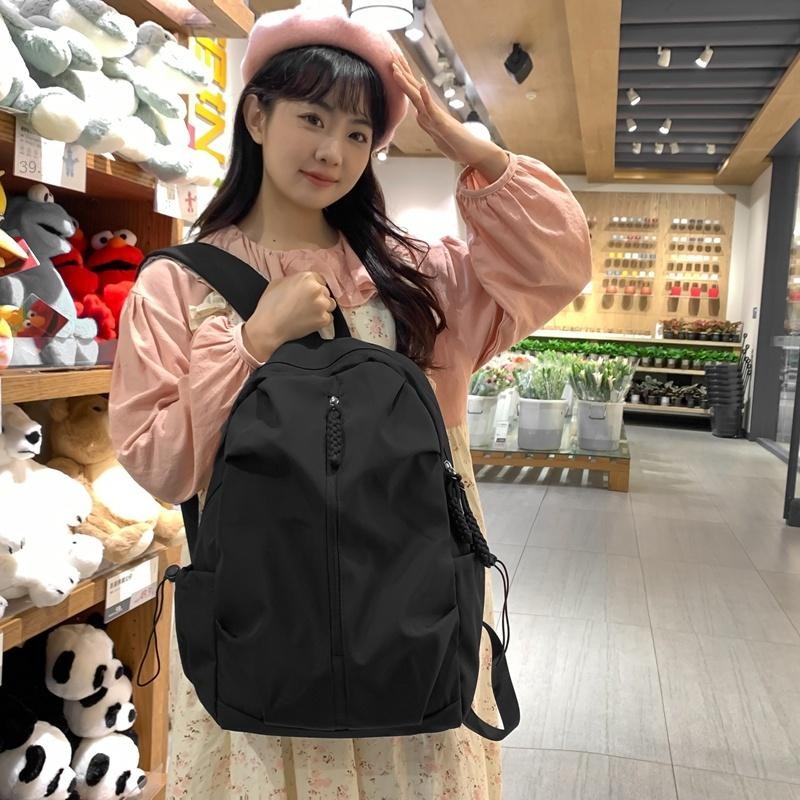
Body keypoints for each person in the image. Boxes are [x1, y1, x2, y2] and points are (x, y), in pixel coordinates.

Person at [108, 2, 592, 797]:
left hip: (410, 627)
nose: (334, 151)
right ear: (256, 116)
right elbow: (161, 466)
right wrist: (250, 343)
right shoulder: (180, 286)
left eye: (360, 133)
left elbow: (559, 266)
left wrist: (470, 148)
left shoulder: (417, 280)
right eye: (312, 118)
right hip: (266, 636)